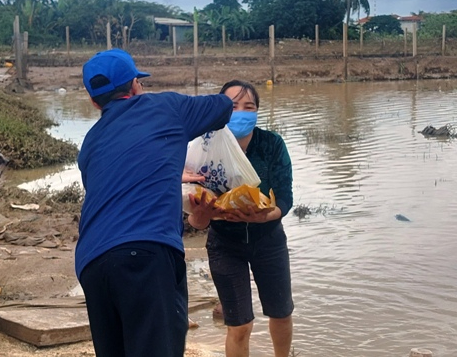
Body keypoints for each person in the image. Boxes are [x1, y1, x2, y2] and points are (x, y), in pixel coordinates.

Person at [76, 49, 233, 357]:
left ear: (95, 102)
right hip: (145, 254)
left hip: (92, 263)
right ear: (136, 85)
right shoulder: (164, 107)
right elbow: (223, 106)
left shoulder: (90, 143)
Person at [187, 79, 295, 357]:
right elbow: (196, 222)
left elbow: (285, 196)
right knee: (239, 324)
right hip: (225, 244)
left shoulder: (271, 144)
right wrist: (202, 215)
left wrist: (267, 216)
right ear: (219, 110)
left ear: (258, 111)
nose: (241, 112)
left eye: (249, 106)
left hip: (269, 240)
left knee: (281, 313)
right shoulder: (202, 150)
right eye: (232, 106)